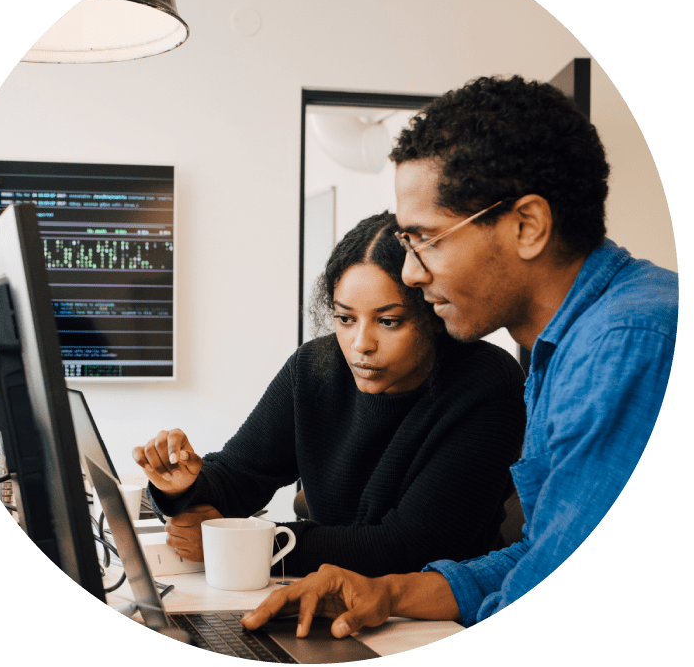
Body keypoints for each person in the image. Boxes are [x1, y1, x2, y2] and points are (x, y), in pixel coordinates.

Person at [241, 74, 678, 637]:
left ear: (527, 226)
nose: (411, 273)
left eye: (426, 239)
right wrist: (388, 591)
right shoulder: (563, 347)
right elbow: (536, 556)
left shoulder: (626, 345)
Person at [133, 211, 526, 579]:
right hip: (331, 596)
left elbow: (409, 547)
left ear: (432, 316)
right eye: (345, 318)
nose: (360, 345)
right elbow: (241, 473)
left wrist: (244, 545)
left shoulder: (486, 383)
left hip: (435, 620)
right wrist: (181, 486)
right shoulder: (315, 367)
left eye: (388, 322)